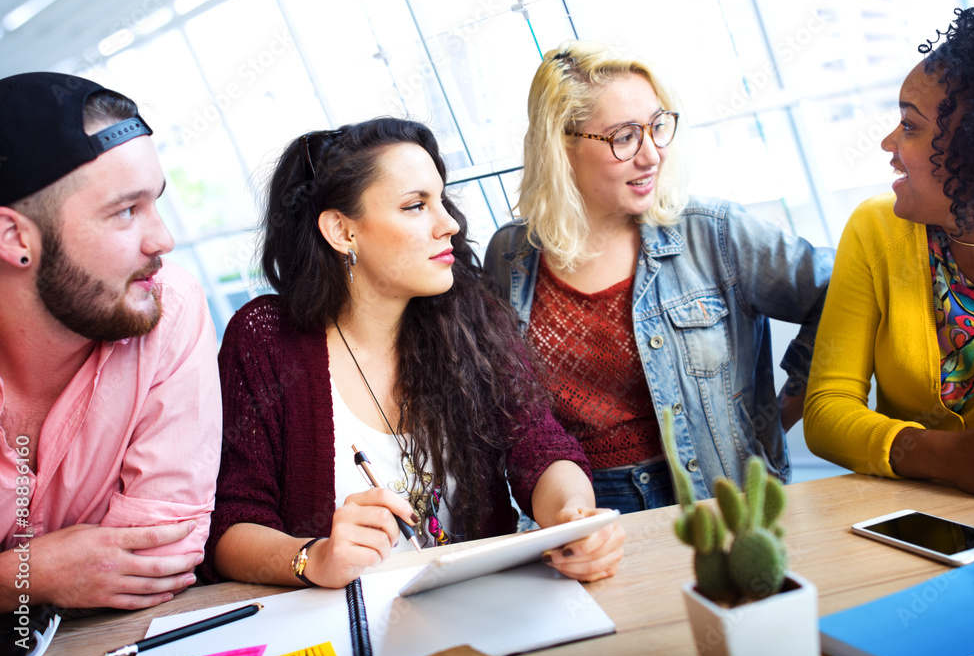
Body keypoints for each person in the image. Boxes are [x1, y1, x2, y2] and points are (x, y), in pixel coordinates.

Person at [202, 118, 624, 590]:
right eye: (416, 205)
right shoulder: (264, 340)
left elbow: (540, 449)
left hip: (483, 607)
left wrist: (573, 515)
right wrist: (313, 557)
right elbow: (231, 524)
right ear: (342, 231)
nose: (450, 224)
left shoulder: (469, 312)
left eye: (441, 200)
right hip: (346, 626)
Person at [484, 41, 833, 508]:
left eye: (658, 127)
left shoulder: (715, 234)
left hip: (718, 498)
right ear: (562, 145)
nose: (652, 156)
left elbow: (839, 289)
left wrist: (781, 412)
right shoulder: (510, 256)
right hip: (586, 508)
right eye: (625, 137)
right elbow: (512, 406)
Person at [0, 72, 222, 612]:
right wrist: (29, 575)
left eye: (156, 203)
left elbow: (159, 560)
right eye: (126, 211)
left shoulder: (168, 306)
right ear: (15, 239)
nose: (163, 240)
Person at [804, 4, 974, 499]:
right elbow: (827, 408)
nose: (889, 142)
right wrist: (943, 456)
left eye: (910, 127)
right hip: (920, 529)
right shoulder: (877, 229)